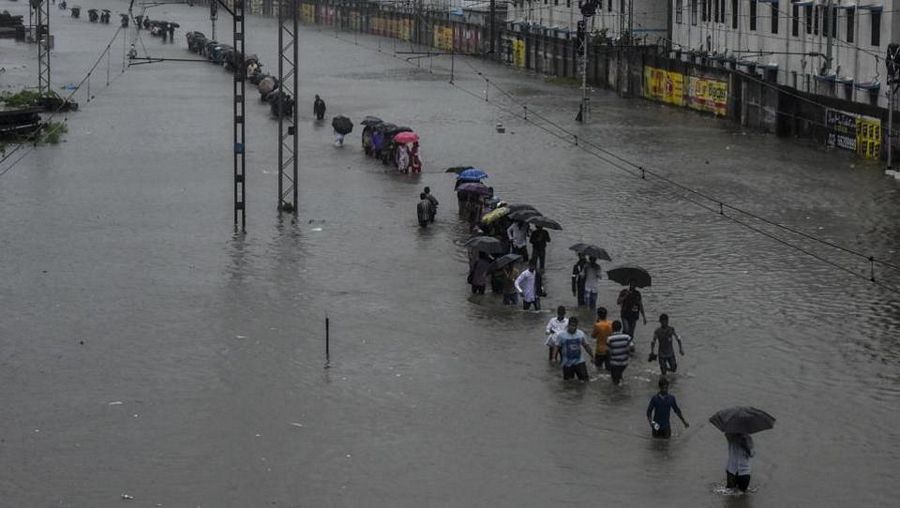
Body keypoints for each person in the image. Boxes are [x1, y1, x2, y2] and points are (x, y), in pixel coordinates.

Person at [555, 317, 593, 382]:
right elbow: (557, 346)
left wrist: (592, 356)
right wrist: (553, 357)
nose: (573, 327)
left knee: (585, 381)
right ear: (568, 325)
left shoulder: (581, 334)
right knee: (568, 383)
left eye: (575, 326)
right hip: (567, 363)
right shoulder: (561, 335)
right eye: (572, 325)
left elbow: (586, 346)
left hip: (580, 361)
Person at [606, 320, 633, 385]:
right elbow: (632, 348)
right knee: (619, 375)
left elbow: (608, 352)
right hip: (624, 363)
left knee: (615, 382)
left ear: (612, 328)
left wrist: (608, 362)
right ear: (621, 328)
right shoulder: (627, 337)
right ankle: (622, 388)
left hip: (614, 363)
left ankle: (618, 392)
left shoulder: (609, 339)